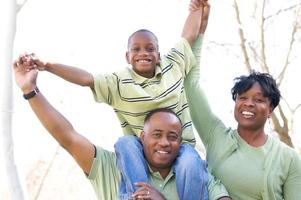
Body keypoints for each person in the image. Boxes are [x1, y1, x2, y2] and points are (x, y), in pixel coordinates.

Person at [18, 1, 212, 199]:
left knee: (191, 161)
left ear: (158, 54)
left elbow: (188, 37)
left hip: (182, 147)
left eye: (150, 48)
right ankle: (137, 194)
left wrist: (197, 9)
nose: (143, 53)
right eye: (136, 49)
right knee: (125, 143)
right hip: (138, 150)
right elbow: (85, 79)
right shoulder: (118, 83)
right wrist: (47, 66)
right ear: (127, 56)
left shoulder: (172, 65)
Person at [13, 57, 231, 200]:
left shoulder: (197, 174)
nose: (165, 142)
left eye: (173, 136)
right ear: (141, 137)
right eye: (156, 135)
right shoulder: (113, 168)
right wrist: (30, 90)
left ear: (180, 141)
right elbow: (67, 137)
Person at [184, 43, 301, 199]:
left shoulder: (289, 158)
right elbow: (191, 84)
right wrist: (199, 31)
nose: (249, 103)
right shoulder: (216, 136)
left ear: (270, 108)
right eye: (242, 98)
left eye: (258, 99)